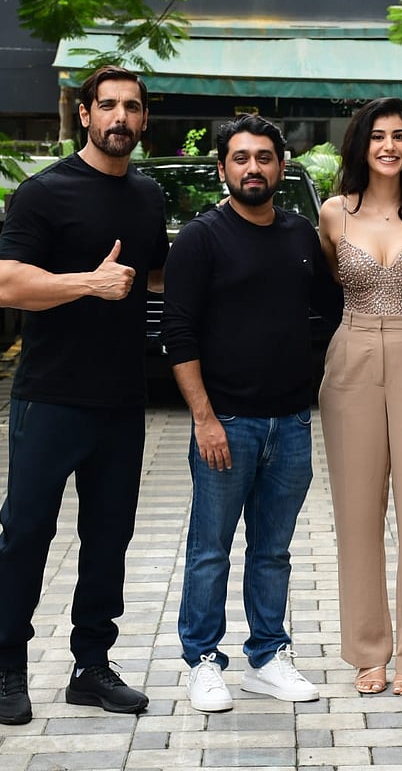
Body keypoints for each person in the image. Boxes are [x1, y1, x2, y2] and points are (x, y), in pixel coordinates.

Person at [0, 65, 167, 725]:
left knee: (108, 536)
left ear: (144, 120)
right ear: (85, 113)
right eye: (109, 105)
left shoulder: (148, 199)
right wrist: (86, 283)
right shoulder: (44, 193)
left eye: (133, 107)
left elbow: (154, 282)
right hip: (50, 396)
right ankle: (10, 663)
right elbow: (7, 284)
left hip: (121, 401)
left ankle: (91, 665)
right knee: (26, 531)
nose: (121, 117)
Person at [162, 114, 342, 713]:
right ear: (223, 169)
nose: (253, 168)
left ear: (281, 167)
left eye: (264, 157)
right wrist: (204, 419)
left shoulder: (298, 237)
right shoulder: (200, 239)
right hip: (227, 425)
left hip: (291, 423)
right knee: (209, 548)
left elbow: (333, 310)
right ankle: (202, 661)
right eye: (240, 158)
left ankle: (267, 656)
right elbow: (178, 335)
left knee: (274, 550)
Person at [317, 98, 402, 697]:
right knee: (356, 511)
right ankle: (368, 650)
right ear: (360, 145)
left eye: (400, 136)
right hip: (351, 356)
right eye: (378, 136)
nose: (389, 146)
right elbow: (328, 286)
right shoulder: (332, 214)